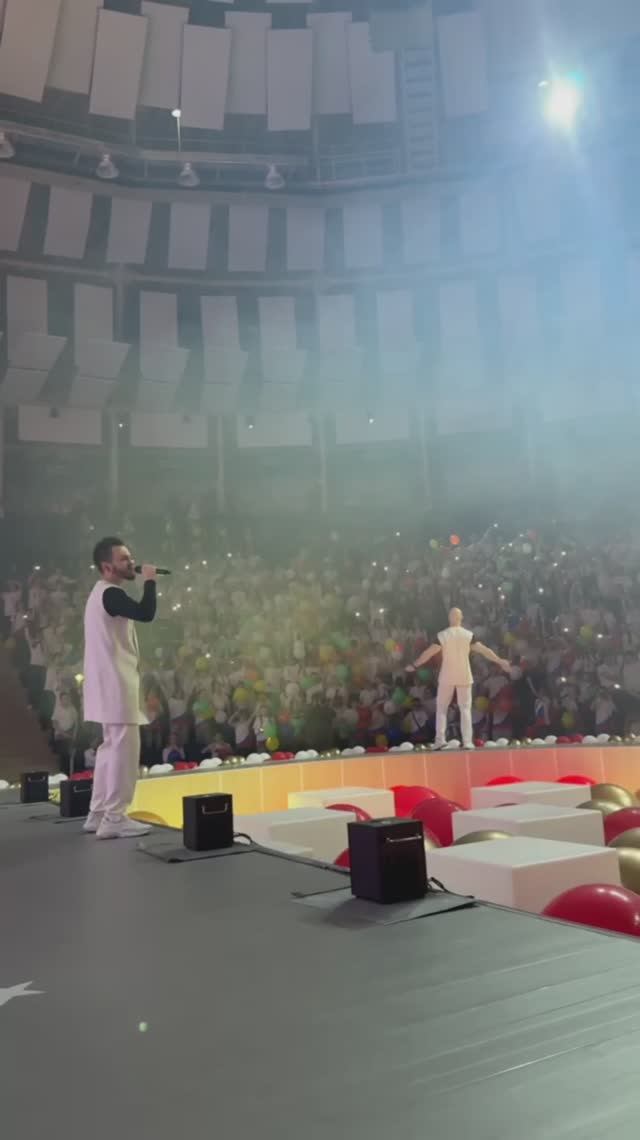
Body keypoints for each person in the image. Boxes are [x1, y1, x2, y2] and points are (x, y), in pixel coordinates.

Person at [82, 537, 157, 839]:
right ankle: (115, 817)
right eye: (123, 558)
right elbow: (146, 613)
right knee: (124, 749)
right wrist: (149, 581)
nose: (131, 562)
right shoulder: (111, 593)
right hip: (115, 682)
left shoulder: (99, 593)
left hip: (105, 682)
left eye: (130, 556)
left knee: (110, 748)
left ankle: (98, 812)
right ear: (107, 566)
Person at [407, 607, 510, 750]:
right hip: (463, 675)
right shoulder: (467, 635)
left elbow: (429, 653)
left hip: (447, 676)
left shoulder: (443, 635)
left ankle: (440, 740)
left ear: (450, 618)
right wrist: (500, 661)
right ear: (461, 618)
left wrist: (415, 664)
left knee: (442, 708)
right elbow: (484, 650)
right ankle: (467, 741)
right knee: (465, 709)